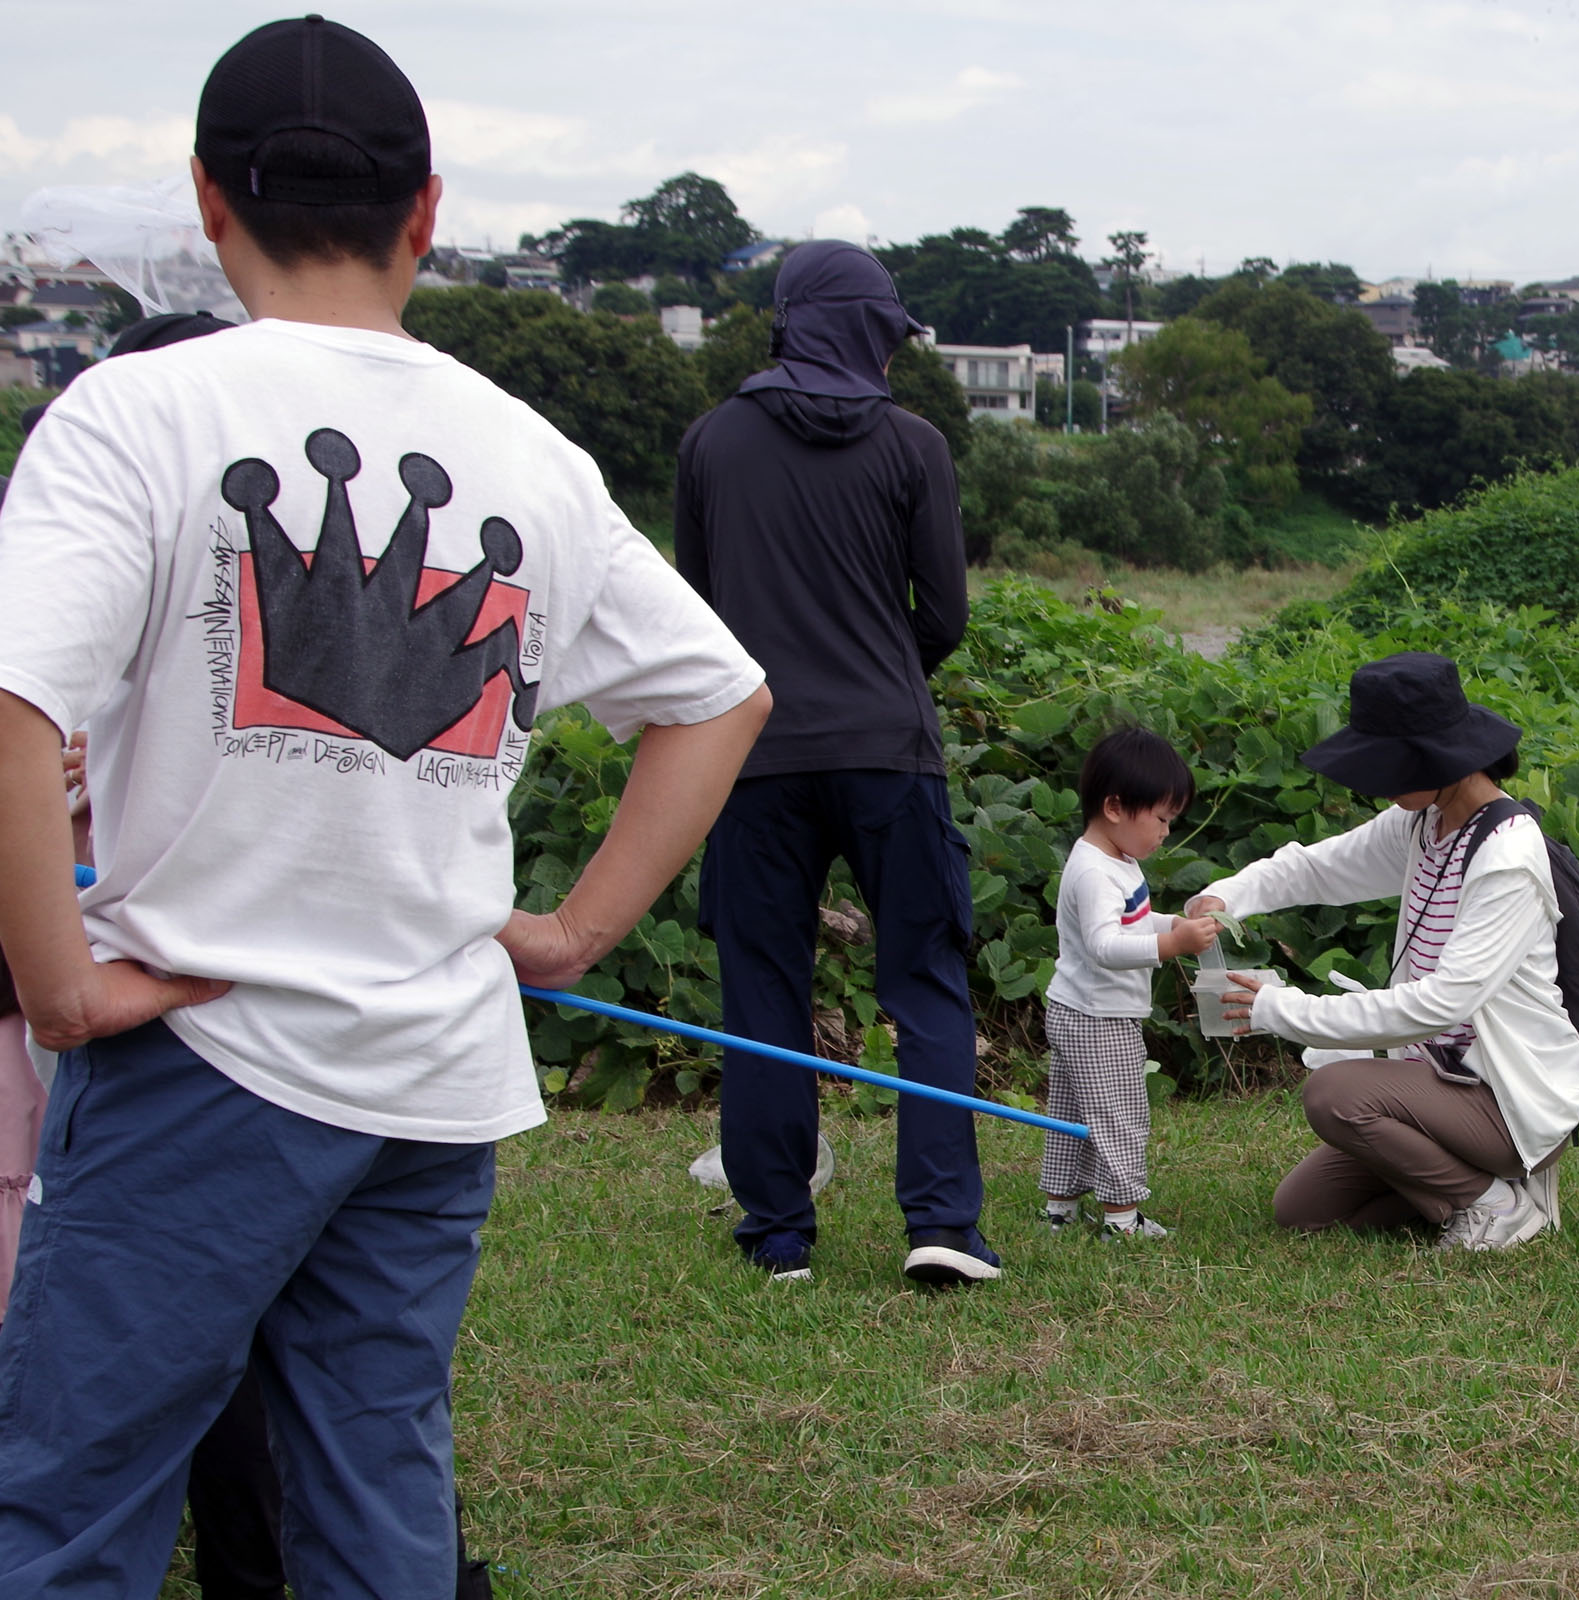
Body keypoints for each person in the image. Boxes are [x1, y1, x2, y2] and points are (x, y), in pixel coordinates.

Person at [0, 18, 771, 1594]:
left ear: (209, 203)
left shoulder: (134, 414)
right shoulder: (533, 457)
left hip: (198, 1054)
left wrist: (55, 983)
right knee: (374, 1493)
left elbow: (14, 700)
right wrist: (571, 931)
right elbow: (717, 694)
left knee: (71, 1501)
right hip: (430, 1076)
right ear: (428, 211)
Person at [676, 239, 994, 1287]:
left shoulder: (711, 444)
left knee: (762, 987)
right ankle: (942, 1221)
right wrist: (882, 672)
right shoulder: (914, 448)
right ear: (869, 335)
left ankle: (777, 1232)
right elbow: (942, 614)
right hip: (890, 751)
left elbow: (698, 616)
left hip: (752, 755)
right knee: (927, 979)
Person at [1188, 652, 1579, 1250]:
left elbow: (1440, 1005)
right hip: (1434, 1080)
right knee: (1303, 1210)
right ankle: (1476, 1191)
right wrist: (1225, 897)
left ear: (1440, 756)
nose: (1377, 781)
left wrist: (1283, 1010)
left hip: (1505, 1095)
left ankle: (1495, 1205)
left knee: (1333, 1096)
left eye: (1388, 763)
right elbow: (1317, 869)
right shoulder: (1423, 823)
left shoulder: (1507, 854)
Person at [1040, 727, 1219, 1238]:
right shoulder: (1096, 874)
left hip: (1078, 1009)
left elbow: (1131, 925)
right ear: (1115, 807)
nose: (1166, 832)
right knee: (1119, 1114)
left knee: (1072, 1112)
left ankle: (1060, 1207)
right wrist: (1172, 946)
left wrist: (1175, 926)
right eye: (1161, 819)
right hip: (1100, 1018)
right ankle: (1120, 1217)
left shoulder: (1117, 861)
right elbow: (1105, 946)